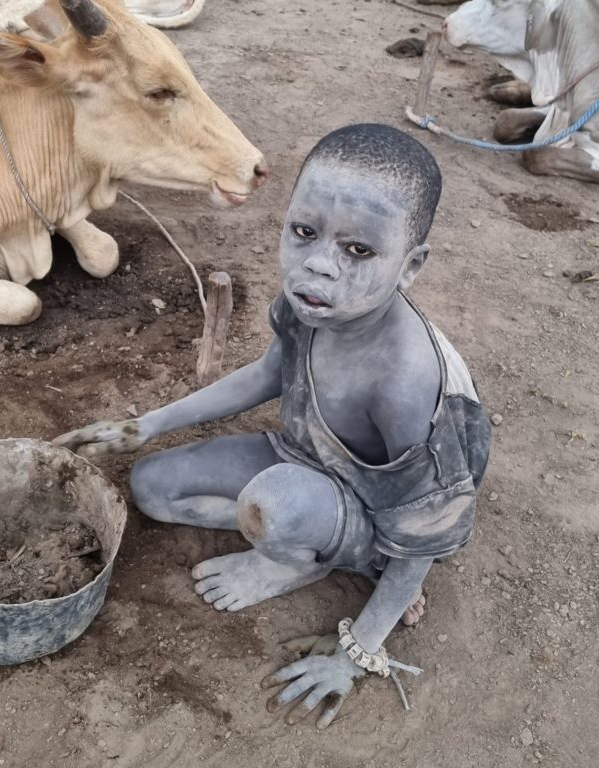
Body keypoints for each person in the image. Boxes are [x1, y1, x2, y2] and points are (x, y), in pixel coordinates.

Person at [54, 123, 491, 728]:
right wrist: (143, 427)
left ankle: (303, 559)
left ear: (411, 265)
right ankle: (303, 538)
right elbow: (267, 374)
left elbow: (424, 534)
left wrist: (356, 652)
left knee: (275, 503)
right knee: (153, 488)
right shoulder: (312, 301)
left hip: (380, 512)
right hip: (307, 454)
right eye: (305, 232)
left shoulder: (405, 384)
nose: (319, 264)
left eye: (358, 251)